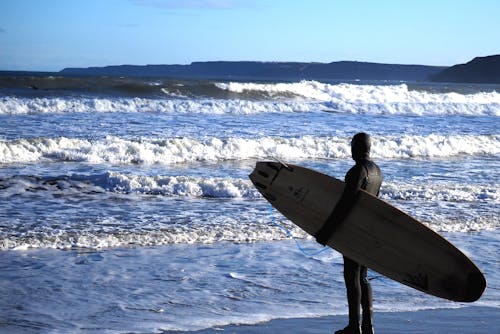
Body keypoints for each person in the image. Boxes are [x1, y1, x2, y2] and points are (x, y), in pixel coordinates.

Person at [314, 132, 382, 334]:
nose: (350, 149)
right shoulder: (377, 171)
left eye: (352, 145)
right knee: (363, 277)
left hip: (353, 231)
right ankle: (368, 325)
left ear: (357, 148)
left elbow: (345, 205)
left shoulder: (356, 172)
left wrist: (326, 231)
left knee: (351, 277)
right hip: (368, 230)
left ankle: (354, 326)